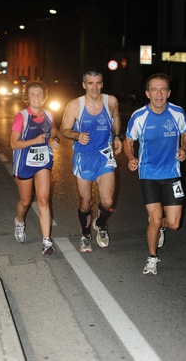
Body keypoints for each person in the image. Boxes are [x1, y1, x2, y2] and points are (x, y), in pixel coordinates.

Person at [123, 72, 186, 275]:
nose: (159, 93)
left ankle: (161, 226)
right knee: (154, 218)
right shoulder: (139, 116)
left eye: (163, 89)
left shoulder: (178, 113)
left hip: (172, 174)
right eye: (154, 89)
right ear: (147, 93)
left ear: (169, 93)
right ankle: (152, 258)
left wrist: (184, 148)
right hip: (149, 174)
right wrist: (131, 158)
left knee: (174, 224)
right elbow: (128, 142)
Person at [60, 67, 122, 252]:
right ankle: (85, 234)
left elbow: (116, 117)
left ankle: (100, 224)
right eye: (90, 83)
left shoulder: (111, 101)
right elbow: (64, 129)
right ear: (84, 85)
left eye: (98, 83)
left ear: (102, 84)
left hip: (104, 155)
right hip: (84, 157)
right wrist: (77, 135)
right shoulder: (74, 105)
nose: (94, 87)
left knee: (108, 201)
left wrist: (118, 136)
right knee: (85, 201)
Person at [10, 80, 60, 256]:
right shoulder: (21, 117)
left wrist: (54, 139)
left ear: (44, 96)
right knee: (25, 201)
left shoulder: (49, 114)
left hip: (43, 161)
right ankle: (20, 222)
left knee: (43, 200)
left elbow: (53, 130)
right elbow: (13, 144)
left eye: (40, 93)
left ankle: (46, 242)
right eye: (33, 94)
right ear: (27, 98)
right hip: (24, 161)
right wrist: (35, 141)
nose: (37, 97)